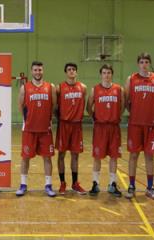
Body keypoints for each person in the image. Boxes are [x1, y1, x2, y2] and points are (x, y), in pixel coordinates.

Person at [124, 52, 154, 200]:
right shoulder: (131, 79)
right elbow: (126, 100)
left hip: (151, 124)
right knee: (133, 155)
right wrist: (136, 113)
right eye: (141, 62)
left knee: (150, 156)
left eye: (146, 61)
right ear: (138, 64)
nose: (144, 64)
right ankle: (132, 186)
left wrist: (151, 114)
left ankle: (150, 187)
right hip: (135, 124)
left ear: (149, 63)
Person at [16, 61, 57, 197]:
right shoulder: (25, 88)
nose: (37, 72)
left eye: (40, 70)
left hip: (45, 130)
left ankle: (48, 185)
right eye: (35, 70)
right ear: (31, 71)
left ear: (43, 71)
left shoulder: (50, 87)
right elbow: (20, 105)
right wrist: (27, 119)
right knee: (25, 158)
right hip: (29, 129)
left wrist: (47, 119)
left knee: (47, 158)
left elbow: (54, 105)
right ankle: (23, 185)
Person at [87, 64, 124, 197]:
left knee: (114, 156)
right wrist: (94, 118)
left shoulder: (119, 89)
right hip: (100, 128)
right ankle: (95, 184)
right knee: (97, 157)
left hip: (114, 128)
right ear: (101, 74)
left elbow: (123, 105)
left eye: (109, 72)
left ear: (112, 74)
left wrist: (117, 116)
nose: (106, 75)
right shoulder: (95, 89)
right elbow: (88, 107)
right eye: (104, 73)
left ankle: (112, 184)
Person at [55, 63, 87, 195]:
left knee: (75, 155)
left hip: (77, 125)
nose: (72, 71)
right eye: (69, 70)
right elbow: (55, 107)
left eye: (74, 69)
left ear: (76, 72)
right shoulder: (59, 88)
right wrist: (61, 118)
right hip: (64, 125)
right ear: (65, 72)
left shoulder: (83, 87)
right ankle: (62, 183)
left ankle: (75, 183)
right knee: (61, 154)